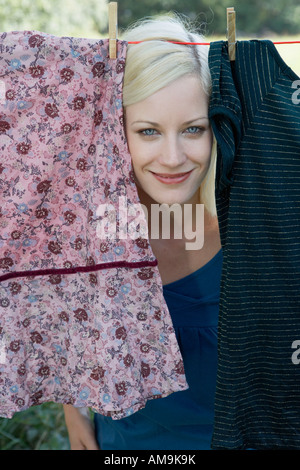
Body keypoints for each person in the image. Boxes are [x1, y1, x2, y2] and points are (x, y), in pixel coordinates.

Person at [63, 14, 222, 450]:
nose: (172, 158)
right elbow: (68, 334)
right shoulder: (84, 231)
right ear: (116, 132)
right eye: (148, 131)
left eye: (194, 129)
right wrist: (76, 420)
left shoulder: (257, 231)